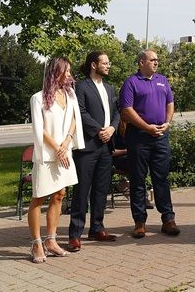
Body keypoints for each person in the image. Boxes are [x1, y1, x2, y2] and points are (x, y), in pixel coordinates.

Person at [27, 56, 83, 263]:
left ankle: (51, 241)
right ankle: (36, 243)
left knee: (60, 194)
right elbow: (39, 129)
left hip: (64, 152)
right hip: (47, 155)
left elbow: (74, 120)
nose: (69, 74)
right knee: (39, 196)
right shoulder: (38, 98)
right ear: (55, 72)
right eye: (65, 71)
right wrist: (57, 148)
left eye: (69, 71)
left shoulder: (71, 95)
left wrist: (66, 142)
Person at [119, 49, 179, 238]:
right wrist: (146, 127)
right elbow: (127, 110)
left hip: (161, 137)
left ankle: (168, 219)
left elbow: (170, 102)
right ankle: (139, 222)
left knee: (161, 178)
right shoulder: (131, 83)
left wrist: (167, 123)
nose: (156, 63)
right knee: (138, 180)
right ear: (141, 62)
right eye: (152, 60)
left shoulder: (162, 80)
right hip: (138, 138)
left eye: (157, 60)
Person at [67, 51, 121, 251]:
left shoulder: (109, 88)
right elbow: (80, 112)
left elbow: (116, 112)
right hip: (88, 146)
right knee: (82, 191)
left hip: (106, 147)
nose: (108, 65)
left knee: (101, 189)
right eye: (105, 62)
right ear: (93, 65)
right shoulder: (80, 86)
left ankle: (97, 228)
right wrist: (99, 130)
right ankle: (75, 235)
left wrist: (112, 129)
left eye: (108, 62)